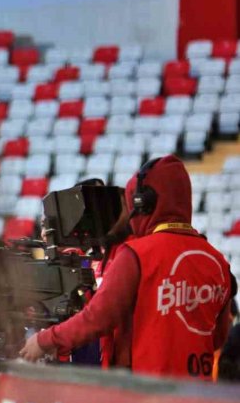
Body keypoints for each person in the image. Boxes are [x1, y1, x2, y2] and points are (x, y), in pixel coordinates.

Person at [21, 155, 234, 379]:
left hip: (145, 391)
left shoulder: (137, 254)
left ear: (143, 203)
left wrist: (45, 340)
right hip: (198, 391)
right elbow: (218, 337)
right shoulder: (218, 261)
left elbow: (98, 318)